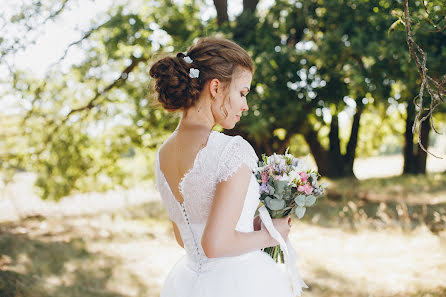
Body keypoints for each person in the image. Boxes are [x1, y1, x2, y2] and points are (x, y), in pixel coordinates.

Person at [150, 37, 307, 297]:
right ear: (215, 87)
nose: (245, 105)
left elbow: (185, 238)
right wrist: (272, 234)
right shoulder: (231, 150)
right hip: (240, 283)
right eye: (242, 93)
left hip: (190, 283)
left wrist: (248, 227)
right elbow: (215, 243)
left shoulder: (162, 154)